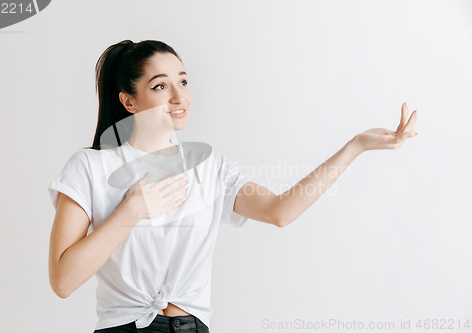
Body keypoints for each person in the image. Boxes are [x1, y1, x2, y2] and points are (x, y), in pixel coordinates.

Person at [47, 39, 419, 333]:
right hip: (124, 329)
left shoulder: (210, 167)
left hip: (193, 327)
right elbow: (63, 281)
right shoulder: (91, 167)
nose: (179, 97)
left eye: (183, 81)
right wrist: (131, 211)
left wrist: (355, 146)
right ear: (128, 101)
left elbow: (280, 211)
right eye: (160, 86)